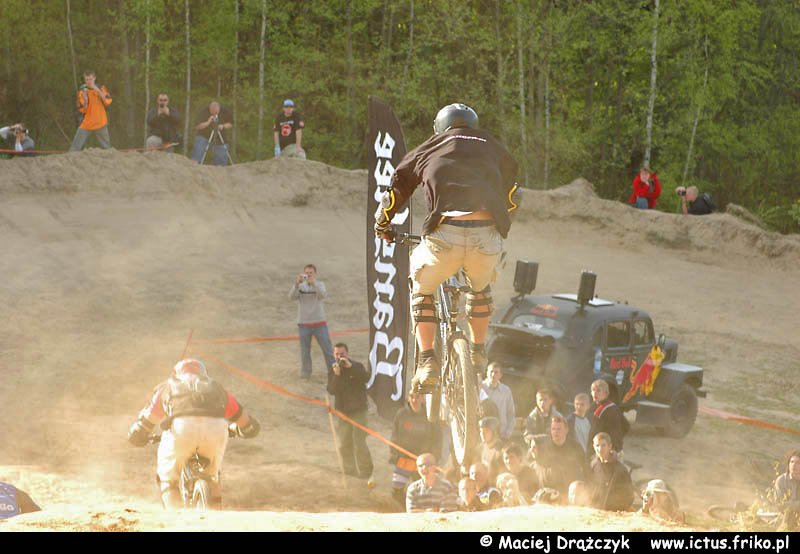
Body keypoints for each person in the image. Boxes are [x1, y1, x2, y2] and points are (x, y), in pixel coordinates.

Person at [374, 103, 519, 392]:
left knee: (422, 288)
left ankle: (428, 361)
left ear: (441, 128)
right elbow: (514, 192)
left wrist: (382, 224)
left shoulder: (431, 145)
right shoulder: (491, 145)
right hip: (486, 236)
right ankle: (477, 351)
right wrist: (502, 223)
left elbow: (397, 189)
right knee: (480, 287)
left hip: (445, 236)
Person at [127, 358, 260, 510]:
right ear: (204, 373)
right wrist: (241, 429)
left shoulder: (167, 386)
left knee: (168, 479)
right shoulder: (217, 388)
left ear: (175, 373)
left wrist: (138, 435)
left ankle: (175, 516)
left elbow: (146, 420)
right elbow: (246, 423)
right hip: (217, 428)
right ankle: (216, 514)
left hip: (182, 429)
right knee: (213, 477)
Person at [327, 343, 374, 482]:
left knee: (359, 442)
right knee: (345, 442)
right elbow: (331, 390)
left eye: (342, 354)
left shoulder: (357, 366)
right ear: (333, 355)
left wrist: (351, 367)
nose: (339, 357)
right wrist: (337, 375)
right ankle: (349, 469)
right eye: (337, 354)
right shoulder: (333, 370)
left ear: (347, 354)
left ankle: (366, 470)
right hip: (343, 412)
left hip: (359, 410)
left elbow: (366, 378)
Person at [389, 390, 441, 505]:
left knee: (427, 489)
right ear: (408, 398)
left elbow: (438, 439)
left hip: (424, 462)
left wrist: (434, 457)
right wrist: (395, 453)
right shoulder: (401, 414)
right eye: (411, 397)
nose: (414, 400)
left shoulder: (431, 415)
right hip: (405, 459)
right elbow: (394, 437)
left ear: (423, 398)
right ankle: (408, 508)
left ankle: (424, 508)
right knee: (396, 490)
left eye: (417, 397)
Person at [289, 264, 336, 380]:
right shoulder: (300, 287)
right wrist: (296, 284)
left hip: (319, 323)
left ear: (315, 274)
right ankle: (306, 374)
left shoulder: (320, 284)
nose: (309, 275)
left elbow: (322, 295)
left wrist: (314, 283)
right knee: (305, 351)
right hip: (304, 324)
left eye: (311, 273)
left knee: (328, 350)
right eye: (307, 273)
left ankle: (334, 373)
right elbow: (291, 297)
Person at [531, 415, 586, 501]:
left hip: (567, 493)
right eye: (553, 429)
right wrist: (534, 452)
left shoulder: (575, 447)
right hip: (546, 492)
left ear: (566, 430)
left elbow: (585, 467)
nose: (556, 432)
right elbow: (532, 462)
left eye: (559, 429)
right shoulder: (542, 447)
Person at [588, 432, 633, 511]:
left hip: (614, 512)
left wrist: (618, 508)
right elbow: (589, 488)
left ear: (610, 446)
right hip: (596, 511)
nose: (600, 449)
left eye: (603, 445)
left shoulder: (620, 470)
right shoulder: (593, 465)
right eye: (597, 445)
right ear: (593, 447)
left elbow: (629, 495)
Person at [70, 70, 112, 151]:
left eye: (90, 79)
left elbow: (107, 102)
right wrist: (86, 99)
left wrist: (97, 90)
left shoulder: (101, 88)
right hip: (87, 122)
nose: (89, 81)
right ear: (84, 80)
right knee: (75, 148)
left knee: (107, 148)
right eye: (87, 79)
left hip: (100, 121)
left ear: (94, 78)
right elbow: (82, 110)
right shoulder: (82, 91)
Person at [588, 379, 628, 457]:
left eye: (598, 390)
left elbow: (593, 432)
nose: (595, 393)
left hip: (606, 453)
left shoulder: (600, 411)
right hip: (617, 449)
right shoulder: (614, 406)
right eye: (593, 390)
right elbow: (626, 426)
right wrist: (618, 440)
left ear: (606, 393)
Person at [190, 101, 233, 166]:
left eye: (216, 112)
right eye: (212, 112)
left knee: (221, 154)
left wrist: (223, 126)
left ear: (219, 108)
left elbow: (231, 123)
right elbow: (197, 126)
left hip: (220, 135)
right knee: (199, 146)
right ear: (209, 108)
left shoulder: (225, 111)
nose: (214, 114)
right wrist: (208, 122)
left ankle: (220, 167)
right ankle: (195, 163)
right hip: (204, 135)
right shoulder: (203, 111)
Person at [480, 362, 516, 440]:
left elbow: (511, 414)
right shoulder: (481, 387)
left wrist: (508, 433)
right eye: (491, 372)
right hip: (484, 435)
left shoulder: (506, 391)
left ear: (500, 375)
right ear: (487, 373)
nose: (493, 374)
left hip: (501, 435)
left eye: (496, 372)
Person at [769, 449, 800, 530]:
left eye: (798, 463)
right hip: (785, 519)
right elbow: (781, 505)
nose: (794, 465)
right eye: (792, 462)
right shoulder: (781, 481)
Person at [477, 416, 508, 484]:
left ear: (495, 432)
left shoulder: (503, 450)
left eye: (486, 431)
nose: (483, 434)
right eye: (481, 431)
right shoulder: (479, 449)